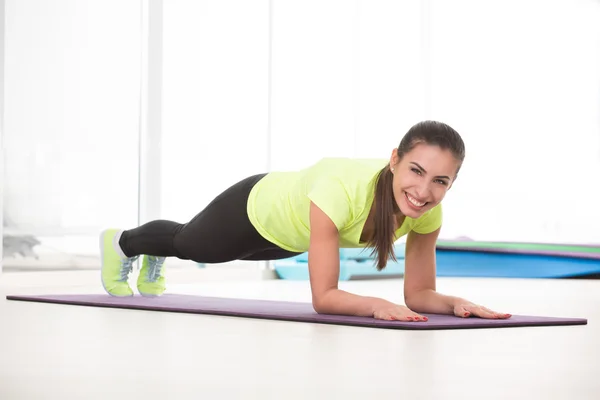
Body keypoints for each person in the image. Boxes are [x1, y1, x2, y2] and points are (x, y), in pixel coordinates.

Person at [99, 120, 511, 322]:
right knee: (193, 246)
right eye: (416, 171)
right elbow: (324, 298)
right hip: (256, 208)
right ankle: (123, 242)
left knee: (188, 243)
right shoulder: (341, 189)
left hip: (294, 236)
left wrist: (455, 304)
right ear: (394, 160)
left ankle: (158, 250)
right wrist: (376, 305)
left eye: (441, 181)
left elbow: (420, 293)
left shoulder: (428, 214)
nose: (424, 192)